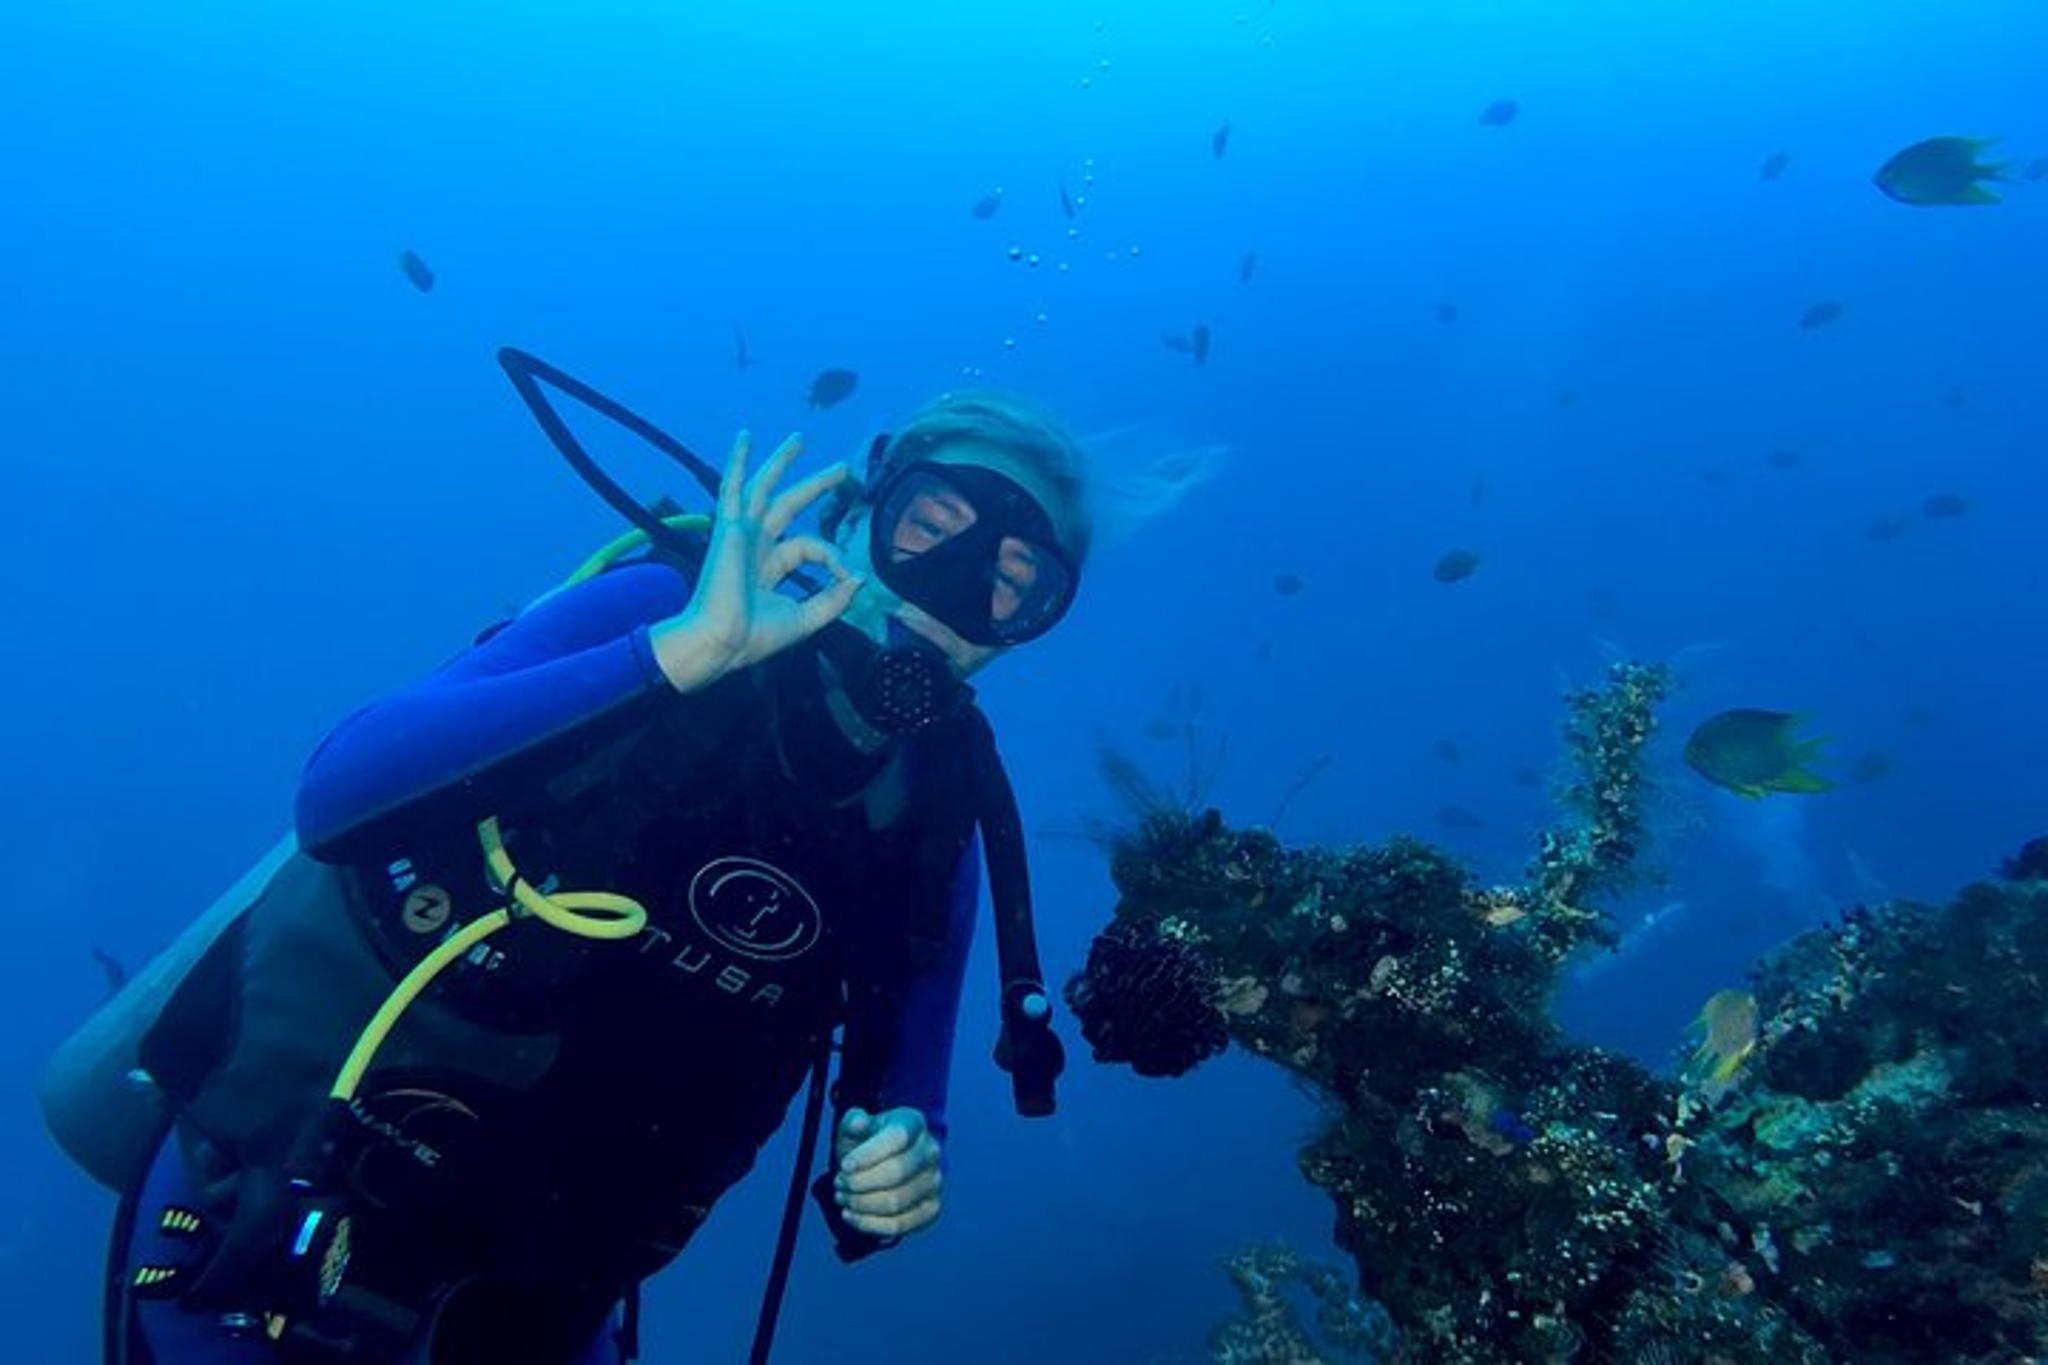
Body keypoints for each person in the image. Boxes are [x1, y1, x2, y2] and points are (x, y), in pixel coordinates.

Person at [62, 385, 1090, 1364]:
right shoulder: (659, 605)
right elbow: (340, 793)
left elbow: (906, 1096)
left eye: (1012, 583)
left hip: (535, 1310)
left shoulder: (935, 820)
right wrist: (674, 656)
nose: (959, 591)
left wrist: (899, 1163)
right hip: (268, 1214)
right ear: (861, 509)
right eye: (932, 525)